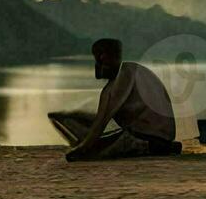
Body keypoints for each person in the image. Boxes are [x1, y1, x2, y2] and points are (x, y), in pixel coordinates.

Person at [49, 38, 181, 161]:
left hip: (147, 137)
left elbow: (102, 121)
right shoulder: (120, 79)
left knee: (92, 152)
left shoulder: (124, 76)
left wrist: (83, 149)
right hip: (147, 133)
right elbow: (101, 119)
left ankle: (155, 147)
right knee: (81, 128)